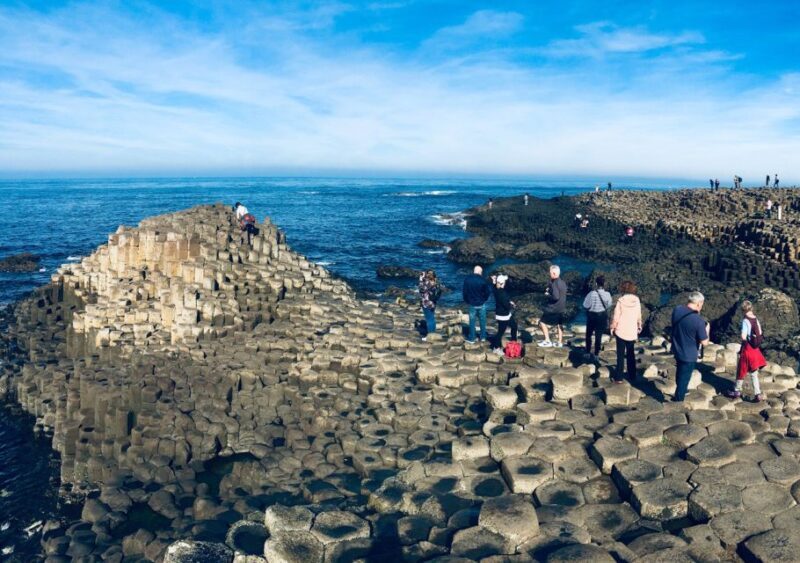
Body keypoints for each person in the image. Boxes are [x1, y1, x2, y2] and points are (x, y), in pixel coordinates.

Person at [670, 292, 710, 402]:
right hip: (689, 354)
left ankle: (681, 390)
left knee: (680, 371)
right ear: (699, 303)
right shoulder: (698, 321)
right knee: (685, 377)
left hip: (677, 348)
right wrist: (707, 330)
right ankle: (678, 400)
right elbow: (705, 342)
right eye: (702, 304)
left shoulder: (677, 310)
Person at [726, 300, 766, 402]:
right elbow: (760, 332)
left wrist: (743, 345)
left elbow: (743, 336)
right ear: (751, 308)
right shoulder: (756, 319)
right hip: (755, 349)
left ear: (743, 310)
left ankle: (737, 390)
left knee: (741, 369)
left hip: (747, 348)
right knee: (754, 372)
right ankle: (757, 393)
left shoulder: (745, 320)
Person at [609, 281, 642, 383]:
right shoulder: (637, 300)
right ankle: (632, 375)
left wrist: (612, 327)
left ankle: (619, 378)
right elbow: (638, 315)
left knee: (620, 355)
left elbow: (616, 316)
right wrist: (639, 325)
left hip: (621, 331)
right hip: (631, 331)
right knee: (631, 354)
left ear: (623, 289)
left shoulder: (621, 300)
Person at [583, 275, 612, 359]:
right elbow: (609, 305)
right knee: (598, 336)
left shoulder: (591, 293)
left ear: (596, 283)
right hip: (602, 316)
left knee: (588, 335)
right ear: (604, 284)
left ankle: (587, 352)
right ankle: (596, 354)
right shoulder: (607, 294)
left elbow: (585, 305)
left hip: (592, 316)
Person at [539, 265, 567, 348]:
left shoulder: (555, 283)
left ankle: (547, 340)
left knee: (542, 322)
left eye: (550, 273)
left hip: (554, 308)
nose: (549, 274)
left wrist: (548, 295)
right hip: (561, 307)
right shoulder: (563, 282)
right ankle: (559, 342)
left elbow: (555, 297)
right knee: (559, 323)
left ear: (554, 273)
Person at [463, 266, 492, 343]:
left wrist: (467, 301)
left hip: (472, 303)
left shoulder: (467, 279)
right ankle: (483, 337)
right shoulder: (483, 280)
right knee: (482, 321)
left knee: (472, 321)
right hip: (481, 303)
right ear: (480, 272)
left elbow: (465, 292)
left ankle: (472, 338)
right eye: (481, 272)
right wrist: (484, 299)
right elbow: (488, 292)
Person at [491, 274, 517, 355]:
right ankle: (496, 348)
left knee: (514, 326)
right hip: (503, 316)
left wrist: (494, 281)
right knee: (500, 332)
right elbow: (506, 306)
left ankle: (514, 341)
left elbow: (495, 287)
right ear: (502, 283)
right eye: (505, 281)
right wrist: (512, 305)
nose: (506, 282)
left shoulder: (496, 289)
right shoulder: (502, 293)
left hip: (503, 314)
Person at [418, 270, 441, 341]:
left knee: (429, 319)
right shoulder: (436, 282)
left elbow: (421, 290)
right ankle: (433, 333)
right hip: (433, 303)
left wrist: (421, 279)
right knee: (432, 318)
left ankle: (430, 336)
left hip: (426, 303)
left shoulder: (426, 283)